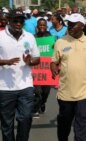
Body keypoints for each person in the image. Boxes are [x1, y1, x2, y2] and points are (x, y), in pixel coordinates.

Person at [50, 13, 86, 141]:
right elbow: (54, 61)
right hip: (65, 93)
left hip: (84, 93)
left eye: (73, 24)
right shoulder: (61, 42)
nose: (70, 26)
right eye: (69, 24)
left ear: (82, 26)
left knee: (82, 126)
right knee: (64, 125)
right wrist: (53, 67)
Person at [0, 9, 40, 141]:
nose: (18, 23)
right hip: (5, 87)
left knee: (26, 118)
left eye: (21, 21)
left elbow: (37, 58)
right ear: (9, 21)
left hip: (26, 86)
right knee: (7, 124)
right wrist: (6, 62)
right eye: (15, 21)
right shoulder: (1, 37)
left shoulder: (29, 36)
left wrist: (30, 61)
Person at [33, 18, 54, 118]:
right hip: (36, 69)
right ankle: (35, 109)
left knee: (46, 91)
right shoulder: (33, 38)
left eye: (43, 25)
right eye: (40, 25)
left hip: (47, 69)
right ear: (37, 27)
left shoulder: (50, 37)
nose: (42, 27)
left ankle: (42, 103)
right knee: (37, 91)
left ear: (46, 26)